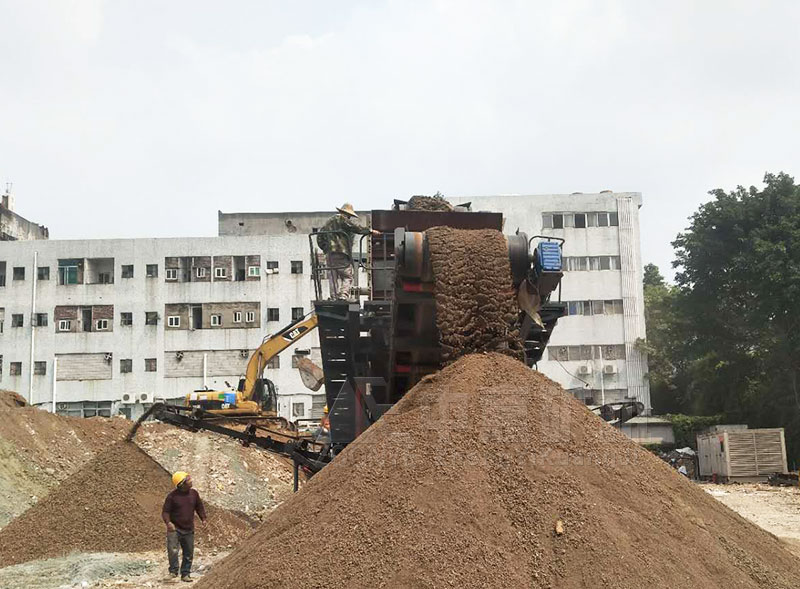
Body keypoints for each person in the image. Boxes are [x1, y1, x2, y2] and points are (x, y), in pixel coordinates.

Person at [317, 203, 379, 300]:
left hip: (330, 253)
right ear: (346, 214)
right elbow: (355, 227)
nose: (349, 218)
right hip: (341, 252)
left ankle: (334, 296)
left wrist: (326, 248)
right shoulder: (341, 219)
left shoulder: (328, 222)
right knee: (348, 276)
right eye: (349, 216)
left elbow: (319, 238)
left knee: (332, 276)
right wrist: (370, 231)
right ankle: (343, 295)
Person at [162, 471, 206, 582]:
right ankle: (173, 572)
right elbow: (165, 512)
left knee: (188, 552)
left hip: (188, 528)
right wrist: (168, 523)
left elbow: (199, 507)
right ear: (182, 484)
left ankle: (185, 573)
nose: (191, 481)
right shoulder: (172, 497)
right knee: (173, 551)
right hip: (175, 529)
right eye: (188, 480)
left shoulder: (194, 494)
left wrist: (203, 519)